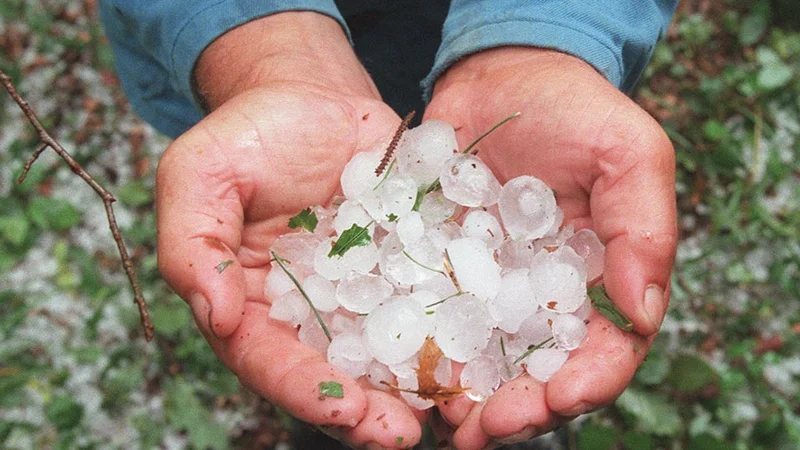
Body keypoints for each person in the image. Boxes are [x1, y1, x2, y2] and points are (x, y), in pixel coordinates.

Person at [98, 1, 679, 448]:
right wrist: (258, 50)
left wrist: (544, 36)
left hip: (508, 52)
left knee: (500, 413)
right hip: (246, 58)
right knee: (342, 403)